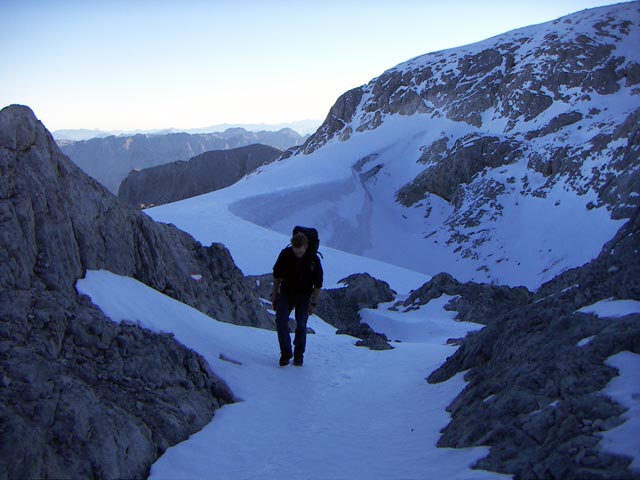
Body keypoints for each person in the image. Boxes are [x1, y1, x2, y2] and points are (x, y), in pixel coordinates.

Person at [272, 231, 323, 366]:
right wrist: (275, 295)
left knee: (301, 324)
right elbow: (277, 275)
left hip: (304, 295)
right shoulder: (285, 254)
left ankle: (298, 354)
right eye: (295, 251)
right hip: (286, 292)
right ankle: (286, 353)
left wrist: (314, 303)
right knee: (280, 321)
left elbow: (318, 284)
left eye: (300, 252)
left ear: (306, 247)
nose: (297, 254)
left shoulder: (313, 260)